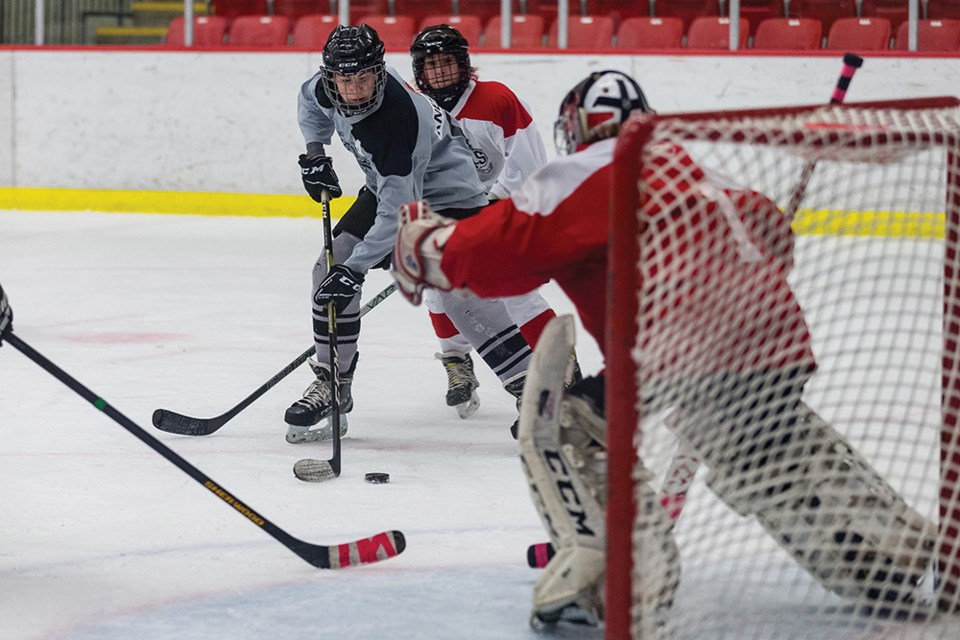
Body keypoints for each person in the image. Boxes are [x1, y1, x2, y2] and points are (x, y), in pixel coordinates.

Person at [390, 70, 935, 628]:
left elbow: (499, 253)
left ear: (578, 125)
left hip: (674, 344)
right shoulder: (693, 165)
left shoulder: (588, 170)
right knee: (759, 444)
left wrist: (424, 247)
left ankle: (615, 578)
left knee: (566, 424)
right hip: (774, 340)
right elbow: (773, 236)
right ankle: (890, 552)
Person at [287, 24, 534, 444]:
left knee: (455, 289)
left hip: (447, 193)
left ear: (380, 72)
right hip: (388, 186)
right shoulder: (326, 85)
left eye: (364, 77)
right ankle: (333, 384)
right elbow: (309, 104)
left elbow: (400, 213)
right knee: (328, 267)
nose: (354, 89)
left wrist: (358, 269)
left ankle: (535, 393)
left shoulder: (396, 120)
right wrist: (315, 154)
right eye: (345, 79)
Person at [409, 24, 572, 421]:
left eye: (447, 63)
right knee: (436, 285)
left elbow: (531, 166)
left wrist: (488, 202)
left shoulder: (497, 99)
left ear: (463, 64)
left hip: (504, 210)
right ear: (419, 71)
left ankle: (562, 376)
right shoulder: (413, 106)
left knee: (516, 292)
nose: (440, 73)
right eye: (431, 66)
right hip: (445, 214)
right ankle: (456, 361)